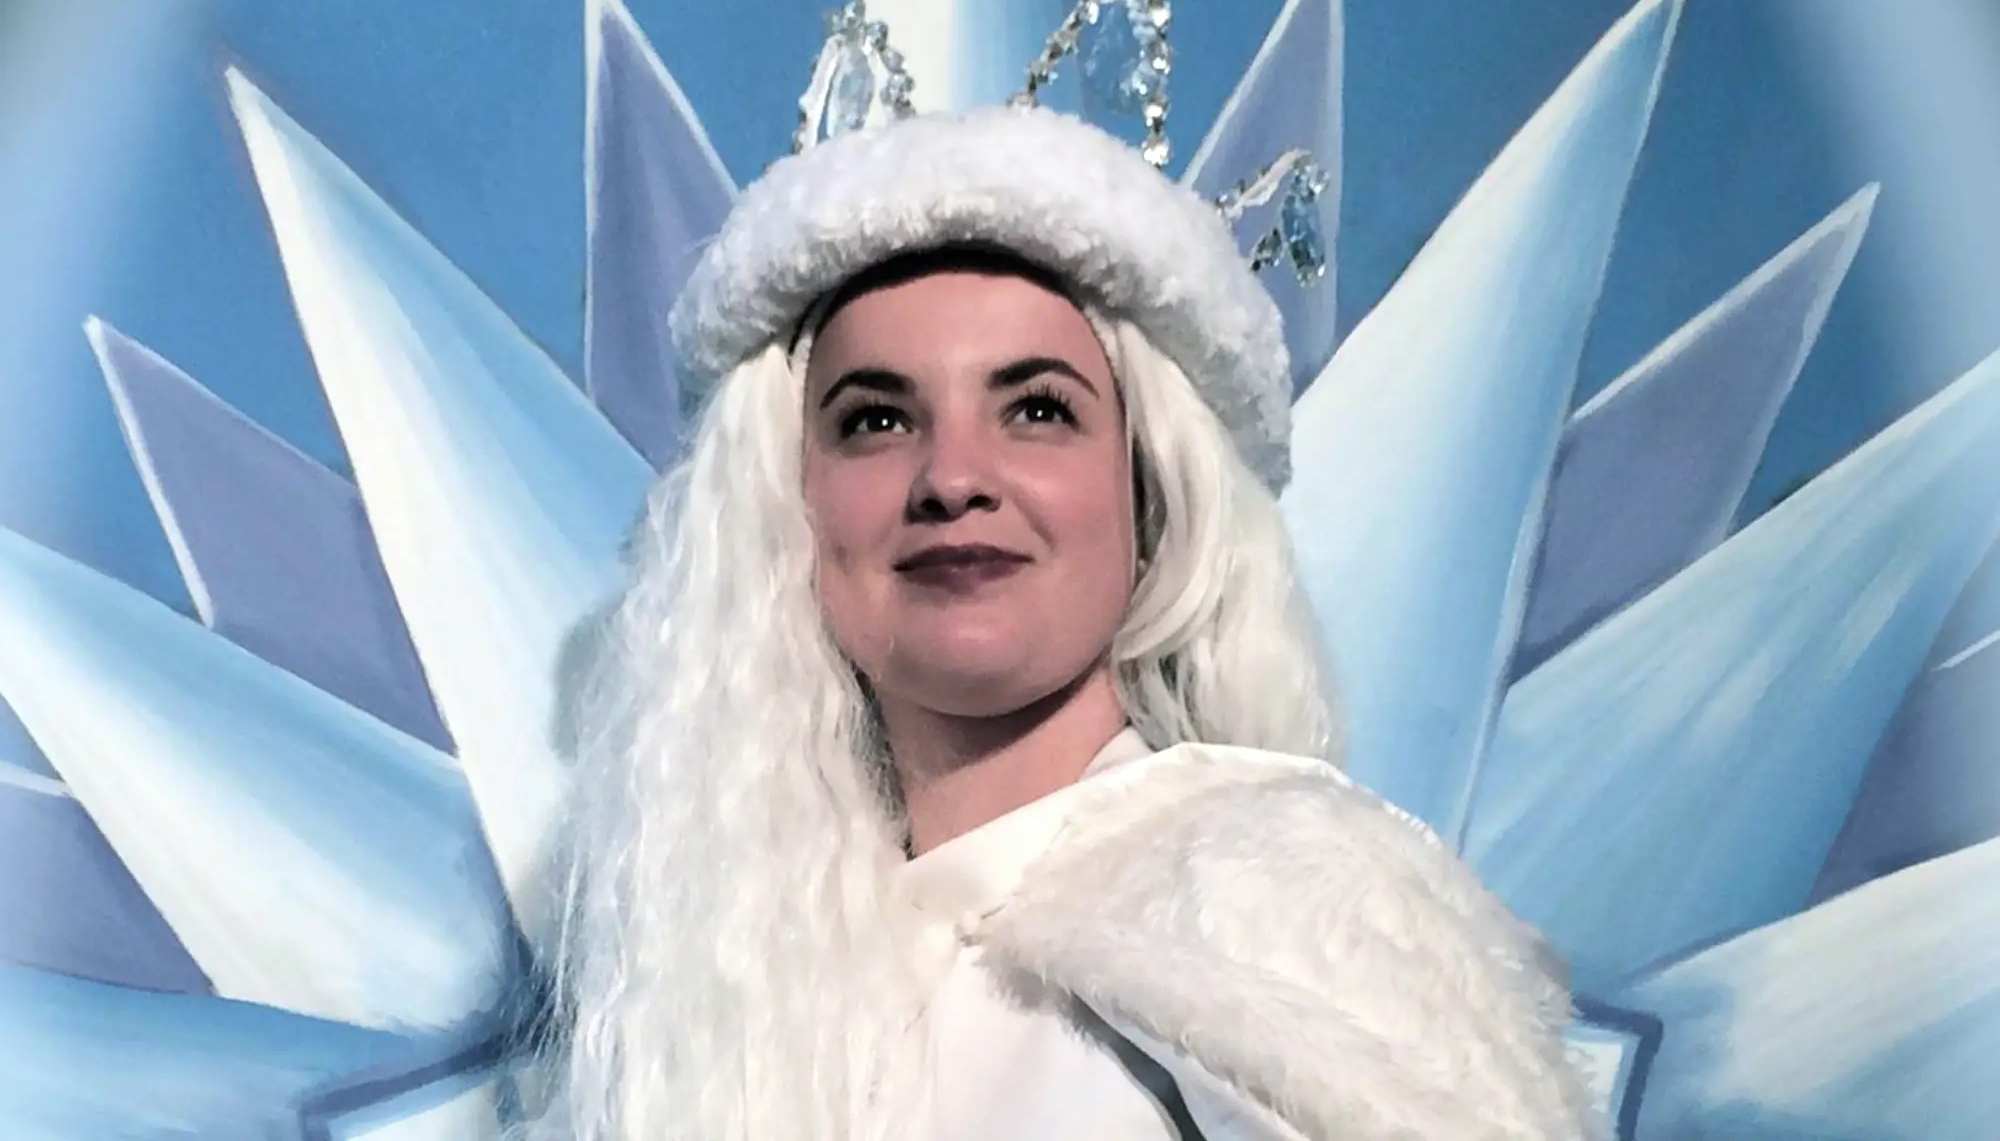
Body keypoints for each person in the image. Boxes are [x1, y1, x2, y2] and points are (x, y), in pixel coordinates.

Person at [516, 83, 1600, 1140]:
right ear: (781, 506)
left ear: (1150, 494)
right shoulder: (731, 979)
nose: (952, 478)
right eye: (876, 421)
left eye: (1036, 409)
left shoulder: (1285, 902)